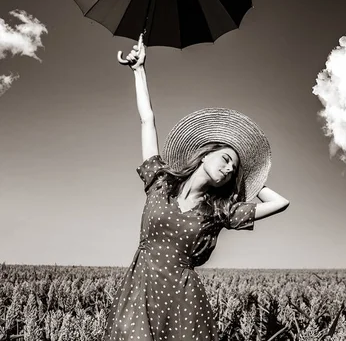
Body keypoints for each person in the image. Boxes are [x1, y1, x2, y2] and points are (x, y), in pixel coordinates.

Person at [103, 35, 290, 341]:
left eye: (233, 172)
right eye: (226, 159)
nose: (229, 169)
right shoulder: (159, 182)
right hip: (140, 291)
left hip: (183, 301)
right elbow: (147, 120)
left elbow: (281, 203)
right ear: (205, 153)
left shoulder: (219, 211)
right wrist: (139, 71)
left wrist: (251, 180)